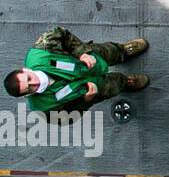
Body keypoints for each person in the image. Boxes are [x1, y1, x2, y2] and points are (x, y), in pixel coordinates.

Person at [4, 26, 150, 115]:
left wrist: (81, 52)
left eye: (29, 78)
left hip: (88, 59)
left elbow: (60, 33)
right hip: (92, 88)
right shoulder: (43, 108)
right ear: (26, 95)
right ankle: (126, 83)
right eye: (29, 88)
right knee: (113, 86)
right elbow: (67, 117)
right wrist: (86, 101)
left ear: (25, 70)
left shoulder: (39, 53)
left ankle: (123, 51)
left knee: (109, 52)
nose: (34, 83)